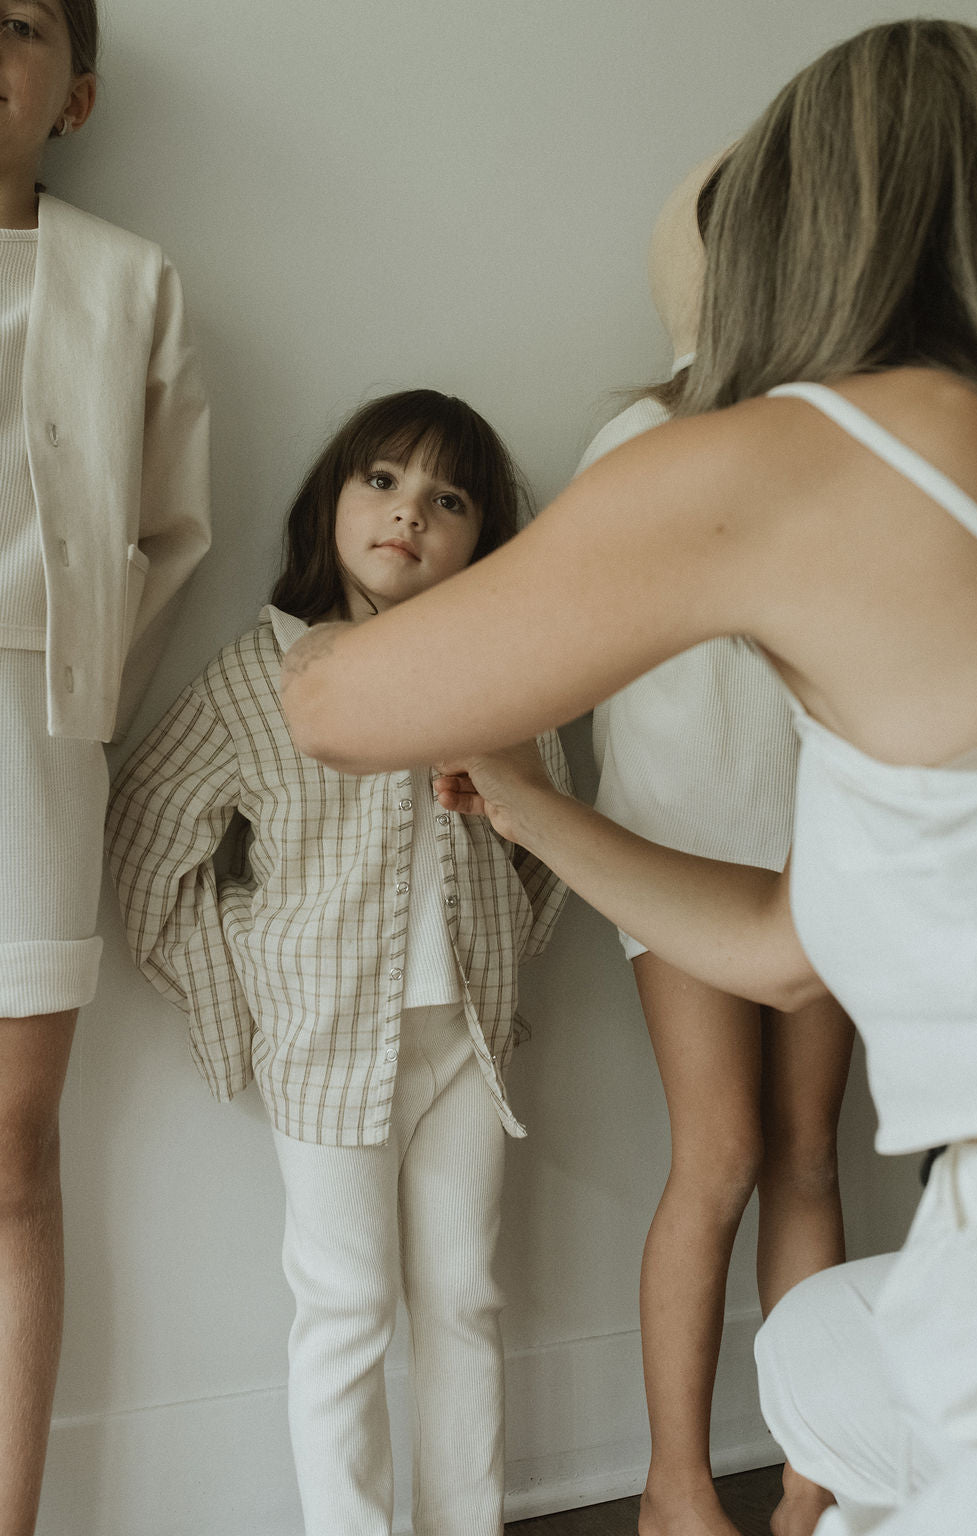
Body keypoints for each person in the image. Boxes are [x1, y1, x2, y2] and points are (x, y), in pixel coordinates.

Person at [277, 19, 977, 1536]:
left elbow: (342, 706)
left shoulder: (780, 455)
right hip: (976, 1222)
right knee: (826, 1344)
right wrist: (537, 803)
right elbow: (786, 950)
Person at [106, 389, 571, 1536]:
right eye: (383, 481)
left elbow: (552, 844)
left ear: (481, 539)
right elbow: (146, 841)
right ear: (332, 501)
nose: (409, 514)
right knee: (345, 1304)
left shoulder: (502, 678)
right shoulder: (258, 679)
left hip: (463, 1045)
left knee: (464, 1296)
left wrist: (502, 980)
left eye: (446, 499)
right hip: (320, 1051)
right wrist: (243, 1008)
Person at [580, 152, 852, 1536]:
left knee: (810, 1148)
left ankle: (815, 1474)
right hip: (681, 842)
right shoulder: (642, 437)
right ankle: (674, 1480)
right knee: (725, 1150)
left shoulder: (850, 429)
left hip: (822, 831)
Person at [0, 3, 211, 1529]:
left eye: (9, 28)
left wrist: (72, 702)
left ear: (71, 93)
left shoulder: (126, 279)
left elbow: (168, 534)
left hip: (34, 737)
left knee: (13, 1153)